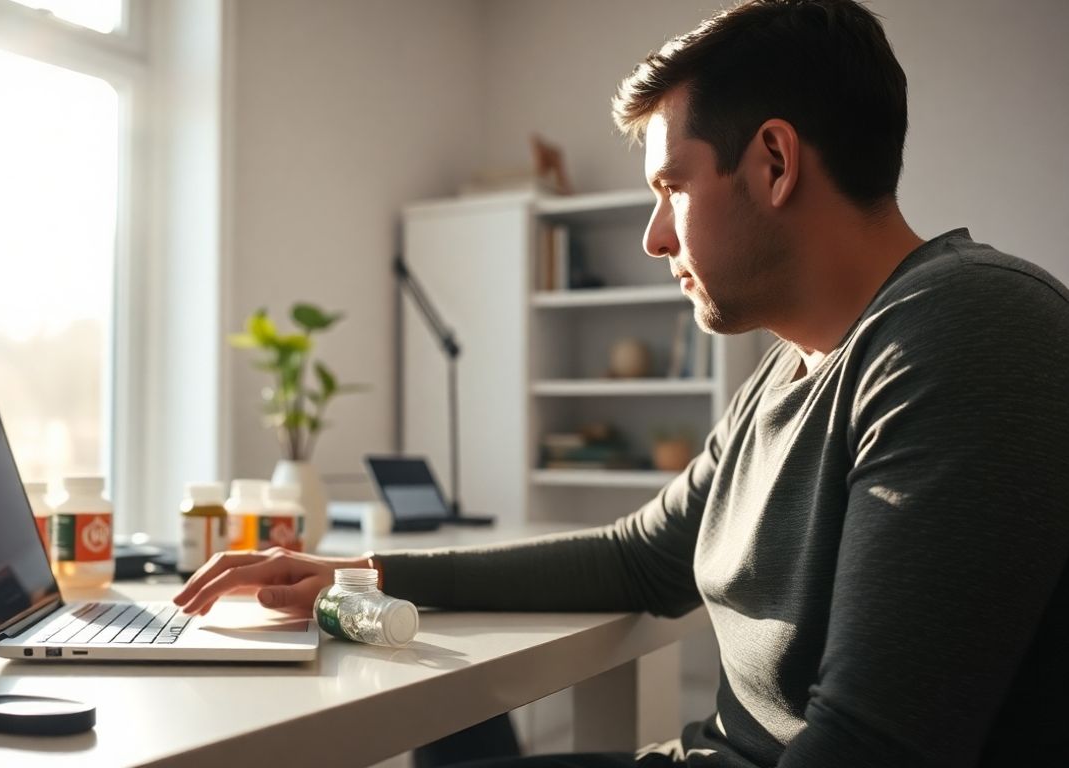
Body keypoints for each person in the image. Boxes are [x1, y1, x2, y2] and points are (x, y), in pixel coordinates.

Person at [175, 0, 1069, 765]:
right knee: (448, 725)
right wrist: (359, 570)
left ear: (774, 163)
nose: (654, 238)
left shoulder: (971, 332)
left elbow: (872, 748)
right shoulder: (789, 368)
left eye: (671, 188)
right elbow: (640, 556)